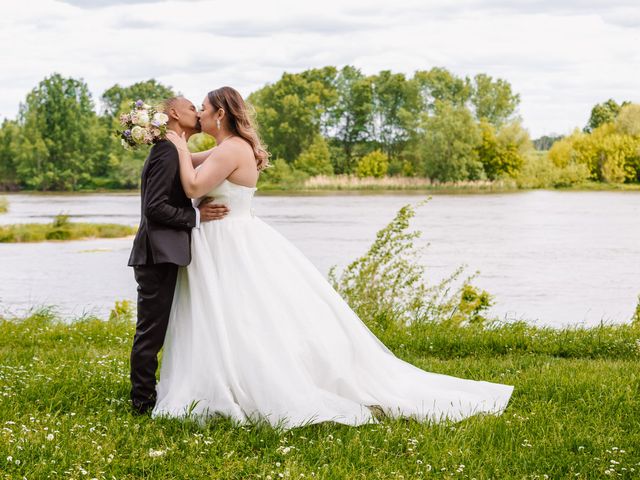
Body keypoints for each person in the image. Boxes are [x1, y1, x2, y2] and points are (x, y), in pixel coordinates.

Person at [155, 86, 514, 429]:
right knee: (230, 315)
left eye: (203, 107)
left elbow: (193, 187)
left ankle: (248, 381)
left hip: (230, 241)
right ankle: (224, 375)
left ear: (220, 113)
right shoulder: (228, 147)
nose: (199, 113)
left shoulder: (232, 149)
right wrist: (169, 141)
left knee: (242, 314)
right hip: (223, 240)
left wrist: (177, 141)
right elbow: (185, 162)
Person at [127, 96, 230, 414]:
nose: (198, 114)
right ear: (173, 114)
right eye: (190, 109)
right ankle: (142, 403)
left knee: (159, 327)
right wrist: (198, 217)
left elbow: (206, 158)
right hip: (157, 255)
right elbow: (155, 208)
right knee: (151, 330)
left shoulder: (175, 149)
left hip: (167, 253)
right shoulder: (166, 151)